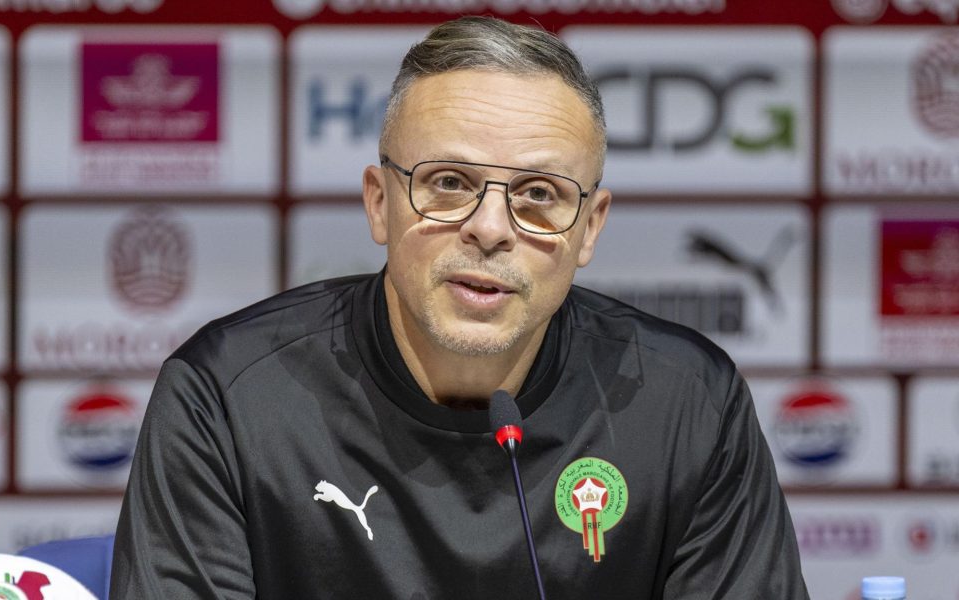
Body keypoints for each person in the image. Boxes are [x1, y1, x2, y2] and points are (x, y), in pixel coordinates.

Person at [110, 16, 810, 599]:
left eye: (539, 194)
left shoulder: (687, 403)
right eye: (449, 182)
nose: (492, 228)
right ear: (379, 204)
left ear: (589, 228)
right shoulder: (227, 398)